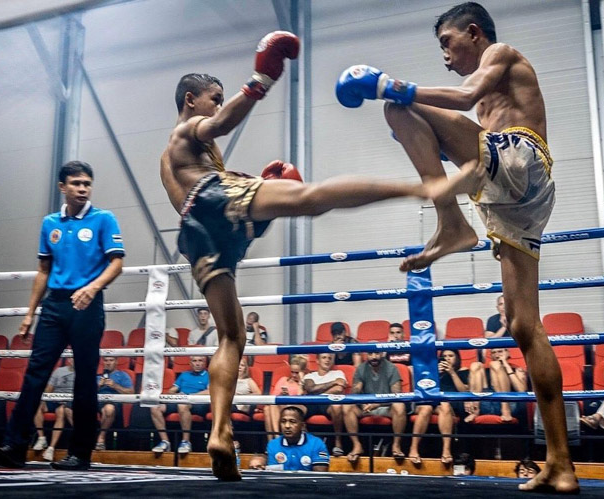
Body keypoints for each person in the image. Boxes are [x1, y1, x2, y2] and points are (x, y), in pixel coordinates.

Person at [160, 31, 432, 480]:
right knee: (310, 197)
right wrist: (261, 80)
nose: (217, 103)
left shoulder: (176, 158)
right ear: (191, 100)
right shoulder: (189, 128)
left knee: (232, 337)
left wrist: (252, 183)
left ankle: (220, 431)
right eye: (213, 97)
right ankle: (419, 186)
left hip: (198, 235)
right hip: (211, 203)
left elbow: (197, 198)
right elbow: (220, 125)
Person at [335, 2, 578, 491]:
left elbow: (464, 99)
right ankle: (562, 465)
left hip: (518, 160)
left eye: (447, 43)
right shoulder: (495, 87)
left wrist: (388, 84)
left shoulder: (503, 54)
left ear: (473, 32)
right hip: (511, 199)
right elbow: (462, 112)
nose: (445, 55)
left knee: (397, 107)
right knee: (522, 325)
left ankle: (451, 224)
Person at [0, 161, 124, 471]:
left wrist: (93, 288)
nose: (82, 188)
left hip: (87, 304)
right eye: (76, 183)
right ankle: (15, 446)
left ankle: (80, 454)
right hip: (54, 306)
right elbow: (43, 270)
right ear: (62, 187)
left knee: (85, 379)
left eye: (87, 183)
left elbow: (116, 263)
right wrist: (29, 313)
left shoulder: (104, 219)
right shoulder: (50, 223)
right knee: (35, 374)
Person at [343, 351, 406, 463]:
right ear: (366, 355)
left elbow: (397, 394)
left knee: (400, 406)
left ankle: (396, 446)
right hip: (366, 406)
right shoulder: (361, 368)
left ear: (382, 354)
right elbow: (355, 392)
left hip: (386, 406)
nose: (374, 357)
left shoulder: (391, 368)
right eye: (371, 354)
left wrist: (377, 403)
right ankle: (357, 445)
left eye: (376, 353)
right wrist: (361, 397)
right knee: (347, 407)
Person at [409, 349, 466, 465]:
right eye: (444, 356)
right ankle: (413, 449)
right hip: (429, 401)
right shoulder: (431, 370)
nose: (448, 358)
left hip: (449, 404)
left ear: (457, 358)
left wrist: (452, 373)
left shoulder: (463, 372)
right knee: (426, 408)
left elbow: (463, 391)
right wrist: (434, 374)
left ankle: (446, 450)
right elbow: (421, 388)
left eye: (451, 356)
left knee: (444, 405)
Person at [150, 355, 210, 455]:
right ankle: (165, 442)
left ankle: (186, 442)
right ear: (190, 363)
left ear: (205, 363)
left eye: (200, 361)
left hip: (199, 402)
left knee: (182, 405)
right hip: (181, 399)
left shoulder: (209, 375)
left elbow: (210, 391)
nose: (198, 363)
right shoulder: (184, 375)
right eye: (194, 361)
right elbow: (171, 390)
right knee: (155, 407)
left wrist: (189, 396)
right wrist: (175, 394)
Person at [248, 406, 330, 472]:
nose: (287, 426)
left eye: (292, 421)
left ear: (302, 426)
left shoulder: (317, 444)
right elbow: (273, 475)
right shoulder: (273, 444)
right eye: (283, 421)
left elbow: (320, 477)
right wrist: (260, 460)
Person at [301, 353, 347, 456]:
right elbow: (310, 388)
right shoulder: (310, 375)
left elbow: (339, 389)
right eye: (324, 358)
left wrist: (318, 392)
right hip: (311, 402)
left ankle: (338, 443)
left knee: (337, 406)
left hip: (328, 402)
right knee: (294, 409)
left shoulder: (338, 373)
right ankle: (302, 442)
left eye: (330, 358)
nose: (327, 360)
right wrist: (332, 383)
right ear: (317, 360)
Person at [466, 347, 527, 422]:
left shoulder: (517, 369)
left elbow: (522, 390)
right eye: (493, 353)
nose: (497, 355)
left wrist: (506, 365)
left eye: (500, 351)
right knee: (475, 365)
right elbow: (470, 387)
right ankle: (474, 411)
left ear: (508, 353)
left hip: (510, 404)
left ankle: (505, 409)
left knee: (495, 364)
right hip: (485, 402)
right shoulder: (486, 370)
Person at [32, 357, 75, 462]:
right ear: (69, 359)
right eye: (72, 358)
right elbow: (49, 388)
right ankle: (41, 438)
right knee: (36, 405)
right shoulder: (59, 371)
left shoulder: (84, 372)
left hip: (70, 400)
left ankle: (51, 448)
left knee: (60, 411)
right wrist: (43, 399)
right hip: (54, 399)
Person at [95, 356, 134, 451]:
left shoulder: (123, 375)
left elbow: (131, 392)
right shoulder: (97, 377)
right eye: (106, 360)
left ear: (116, 362)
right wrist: (98, 386)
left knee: (108, 409)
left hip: (115, 402)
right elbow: (87, 394)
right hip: (97, 402)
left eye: (111, 360)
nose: (108, 363)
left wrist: (115, 386)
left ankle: (101, 438)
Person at [265, 358, 306, 440]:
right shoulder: (283, 380)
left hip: (298, 406)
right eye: (292, 372)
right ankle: (271, 441)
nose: (294, 375)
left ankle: (276, 440)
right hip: (281, 406)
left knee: (271, 407)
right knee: (267, 408)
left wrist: (302, 380)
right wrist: (282, 394)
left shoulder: (305, 382)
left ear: (302, 372)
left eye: (297, 372)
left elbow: (300, 396)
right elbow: (273, 397)